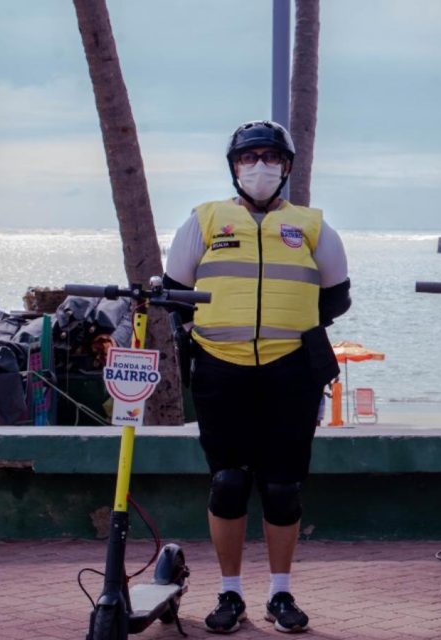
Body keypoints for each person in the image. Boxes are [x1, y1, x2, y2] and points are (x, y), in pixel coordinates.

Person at [163, 120, 351, 633]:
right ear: (234, 167)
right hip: (221, 371)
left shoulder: (312, 226)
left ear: (286, 167)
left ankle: (281, 594)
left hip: (290, 371)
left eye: (270, 157)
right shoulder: (204, 221)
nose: (260, 167)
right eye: (249, 158)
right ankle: (229, 594)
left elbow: (336, 296)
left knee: (283, 488)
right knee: (227, 483)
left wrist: (284, 325)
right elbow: (174, 292)